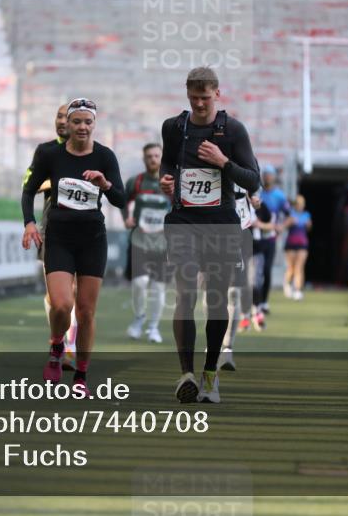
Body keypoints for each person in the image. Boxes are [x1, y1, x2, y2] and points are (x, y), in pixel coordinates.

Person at [160, 67, 260, 404]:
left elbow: (253, 181)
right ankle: (186, 373)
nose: (200, 103)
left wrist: (223, 162)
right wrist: (165, 181)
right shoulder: (174, 127)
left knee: (216, 300)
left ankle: (210, 375)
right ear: (187, 94)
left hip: (221, 223)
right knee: (185, 291)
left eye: (206, 97)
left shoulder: (233, 130)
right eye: (194, 97)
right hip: (183, 221)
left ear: (218, 93)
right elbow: (166, 164)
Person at [22, 98, 125, 393]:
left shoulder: (105, 156)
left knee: (86, 312)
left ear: (94, 125)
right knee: (61, 305)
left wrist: (105, 184)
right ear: (67, 124)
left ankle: (81, 375)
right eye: (76, 121)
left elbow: (120, 197)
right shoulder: (50, 154)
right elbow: (28, 190)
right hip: (59, 238)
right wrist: (30, 222)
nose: (82, 127)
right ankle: (57, 346)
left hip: (93, 239)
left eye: (87, 122)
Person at [23, 104, 79, 368]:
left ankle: (70, 347)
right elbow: (28, 185)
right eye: (57, 117)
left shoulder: (89, 152)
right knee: (56, 298)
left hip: (82, 229)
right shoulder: (45, 151)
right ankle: (57, 338)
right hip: (51, 227)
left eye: (65, 118)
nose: (60, 122)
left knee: (76, 291)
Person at [122, 143, 171, 344]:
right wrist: (126, 217)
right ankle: (139, 318)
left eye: (156, 155)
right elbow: (123, 201)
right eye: (149, 156)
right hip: (139, 241)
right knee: (140, 283)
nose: (153, 159)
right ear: (144, 159)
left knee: (159, 288)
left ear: (162, 158)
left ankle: (153, 328)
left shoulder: (170, 184)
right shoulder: (136, 182)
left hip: (164, 245)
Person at [218, 185, 260, 371]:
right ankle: (214, 344)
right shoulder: (205, 155)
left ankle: (227, 348)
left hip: (240, 232)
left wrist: (256, 197)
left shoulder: (246, 158)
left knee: (234, 291)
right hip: (212, 230)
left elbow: (254, 185)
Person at [252, 165, 288, 323]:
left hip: (271, 238)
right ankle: (256, 303)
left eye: (269, 175)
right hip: (255, 238)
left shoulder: (279, 196)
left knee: (266, 270)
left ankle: (264, 301)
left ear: (273, 177)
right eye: (265, 174)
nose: (267, 177)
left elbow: (289, 215)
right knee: (255, 273)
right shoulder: (256, 193)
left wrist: (282, 226)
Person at [283, 195, 312, 301]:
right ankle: (287, 284)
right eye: (298, 204)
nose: (300, 206)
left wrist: (308, 224)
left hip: (302, 244)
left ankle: (298, 290)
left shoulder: (306, 215)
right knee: (291, 268)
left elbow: (309, 227)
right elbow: (284, 225)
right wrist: (289, 222)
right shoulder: (291, 214)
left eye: (301, 204)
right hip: (291, 244)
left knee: (299, 267)